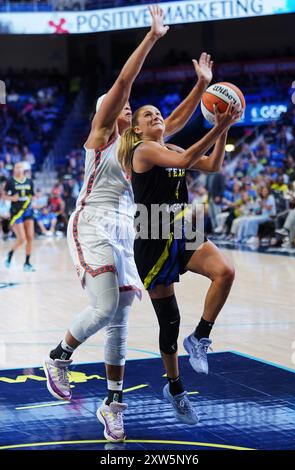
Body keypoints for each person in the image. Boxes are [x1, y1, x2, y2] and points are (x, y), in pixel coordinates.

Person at [43, 5, 213, 442]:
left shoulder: (139, 145)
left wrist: (200, 87)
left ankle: (113, 404)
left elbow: (172, 122)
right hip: (92, 222)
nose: (130, 107)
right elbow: (123, 83)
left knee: (119, 321)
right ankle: (59, 356)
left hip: (126, 229)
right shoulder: (102, 135)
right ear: (111, 112)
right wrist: (152, 38)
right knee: (102, 309)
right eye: (126, 106)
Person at [118, 101, 240, 425]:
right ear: (138, 129)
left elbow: (212, 165)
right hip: (152, 234)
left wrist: (223, 125)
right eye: (148, 115)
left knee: (225, 272)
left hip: (183, 227)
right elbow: (186, 159)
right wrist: (216, 126)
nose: (156, 116)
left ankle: (200, 336)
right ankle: (175, 388)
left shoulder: (170, 146)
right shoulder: (142, 151)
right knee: (169, 322)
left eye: (159, 112)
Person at [3, 162, 35, 271]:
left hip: (28, 211)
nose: (18, 169)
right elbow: (3, 195)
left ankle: (27, 263)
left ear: (23, 169)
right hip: (16, 212)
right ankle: (10, 254)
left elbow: (31, 196)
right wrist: (12, 198)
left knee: (30, 237)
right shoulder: (10, 181)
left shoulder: (29, 181)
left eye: (20, 167)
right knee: (22, 239)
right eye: (16, 167)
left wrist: (32, 202)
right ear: (14, 169)